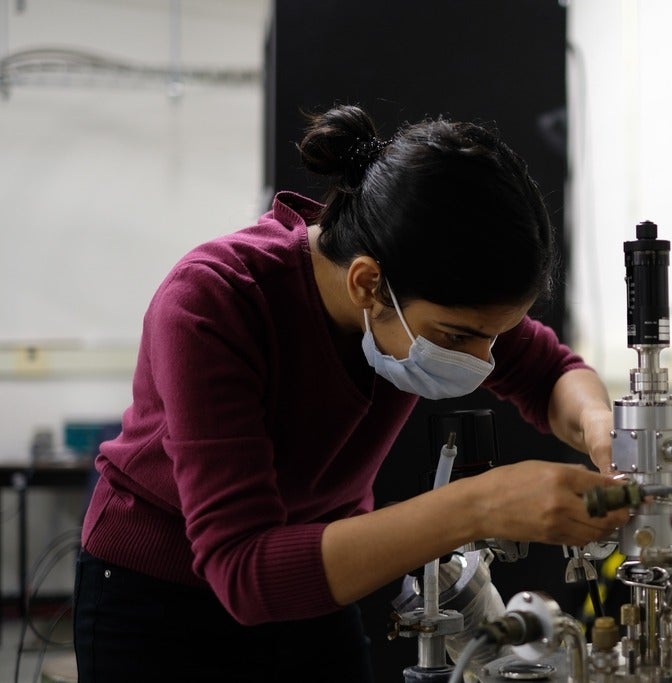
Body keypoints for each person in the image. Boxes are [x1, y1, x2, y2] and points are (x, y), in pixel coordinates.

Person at [73, 104, 628, 682]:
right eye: (459, 336)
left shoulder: (428, 291)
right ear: (367, 281)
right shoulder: (213, 301)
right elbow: (244, 569)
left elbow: (551, 374)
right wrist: (481, 504)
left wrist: (606, 433)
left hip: (315, 578)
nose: (480, 358)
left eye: (495, 337)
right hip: (161, 600)